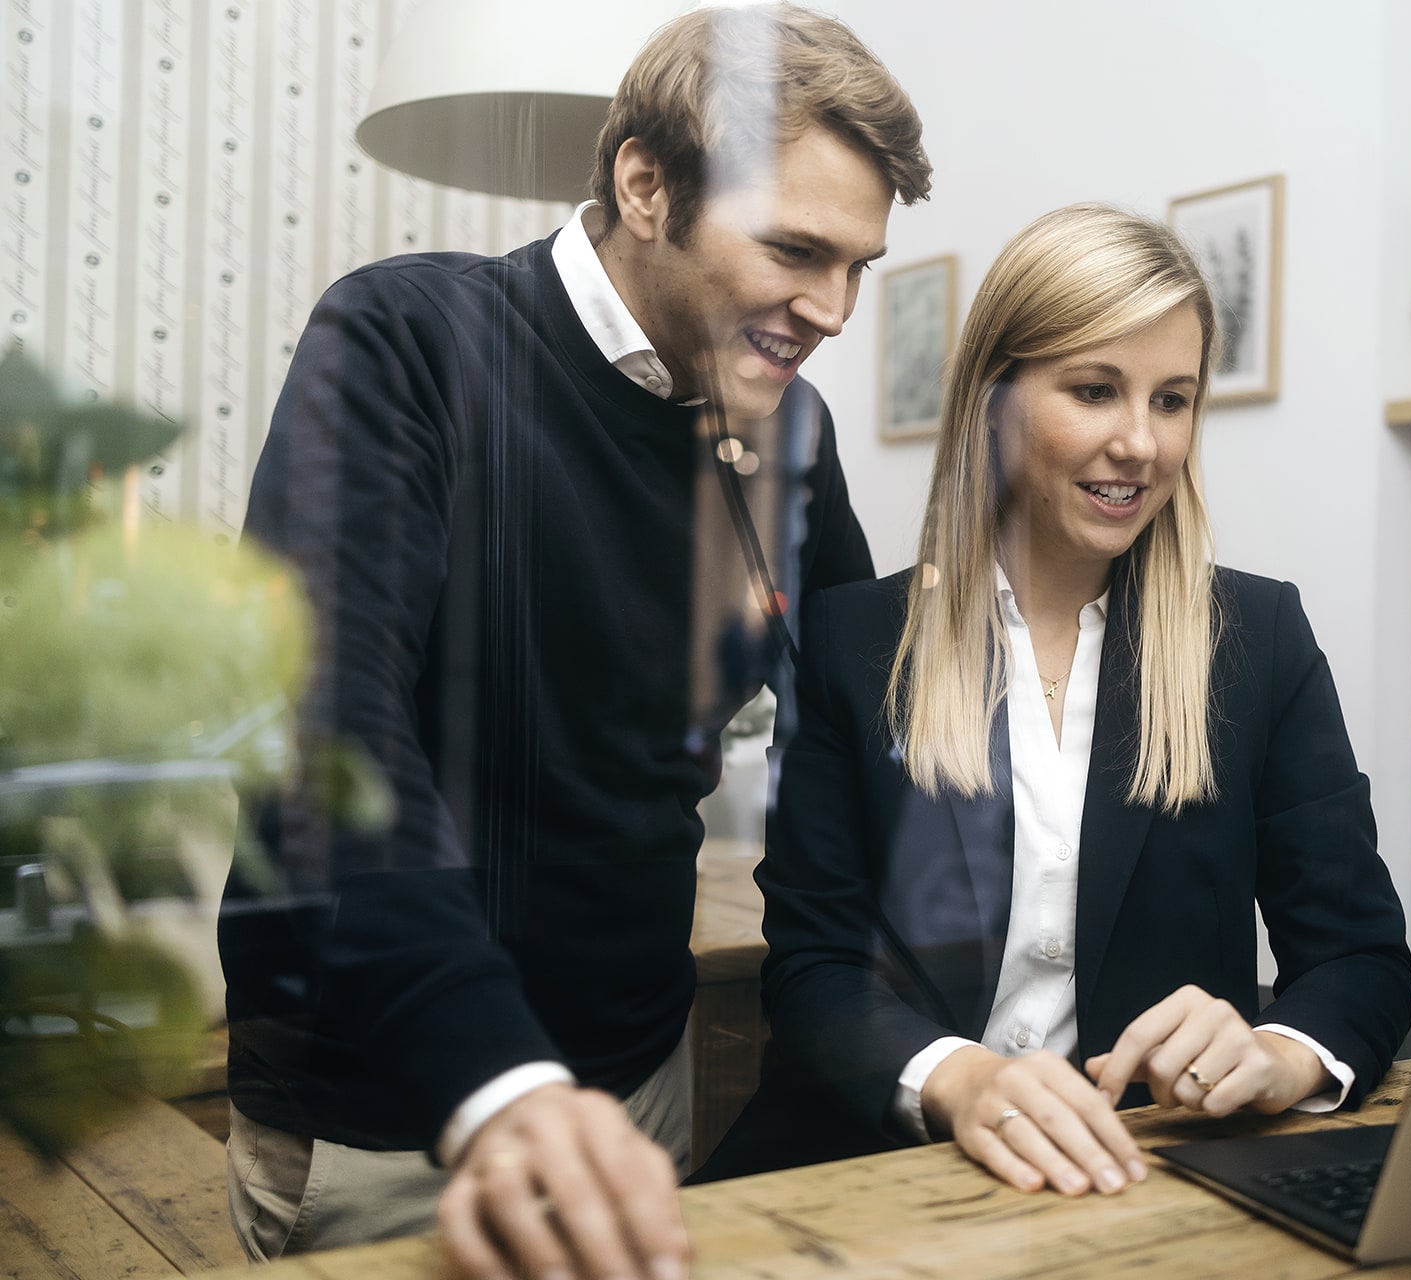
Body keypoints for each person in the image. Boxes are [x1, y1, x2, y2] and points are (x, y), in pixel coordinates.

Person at [216, 6, 930, 1278]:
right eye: (796, 250)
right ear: (644, 183)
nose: (831, 309)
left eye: (860, 266)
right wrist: (503, 1084)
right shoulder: (407, 341)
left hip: (631, 1091)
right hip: (398, 1118)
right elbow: (325, 745)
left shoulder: (791, 435)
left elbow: (862, 745)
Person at [696, 204, 1411, 1194]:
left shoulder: (1260, 641)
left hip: (1132, 1185)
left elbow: (1361, 960)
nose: (1140, 443)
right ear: (995, 398)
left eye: (1173, 399)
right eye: (1094, 390)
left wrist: (1280, 1051)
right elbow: (815, 972)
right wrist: (960, 1077)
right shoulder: (850, 643)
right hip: (875, 1174)